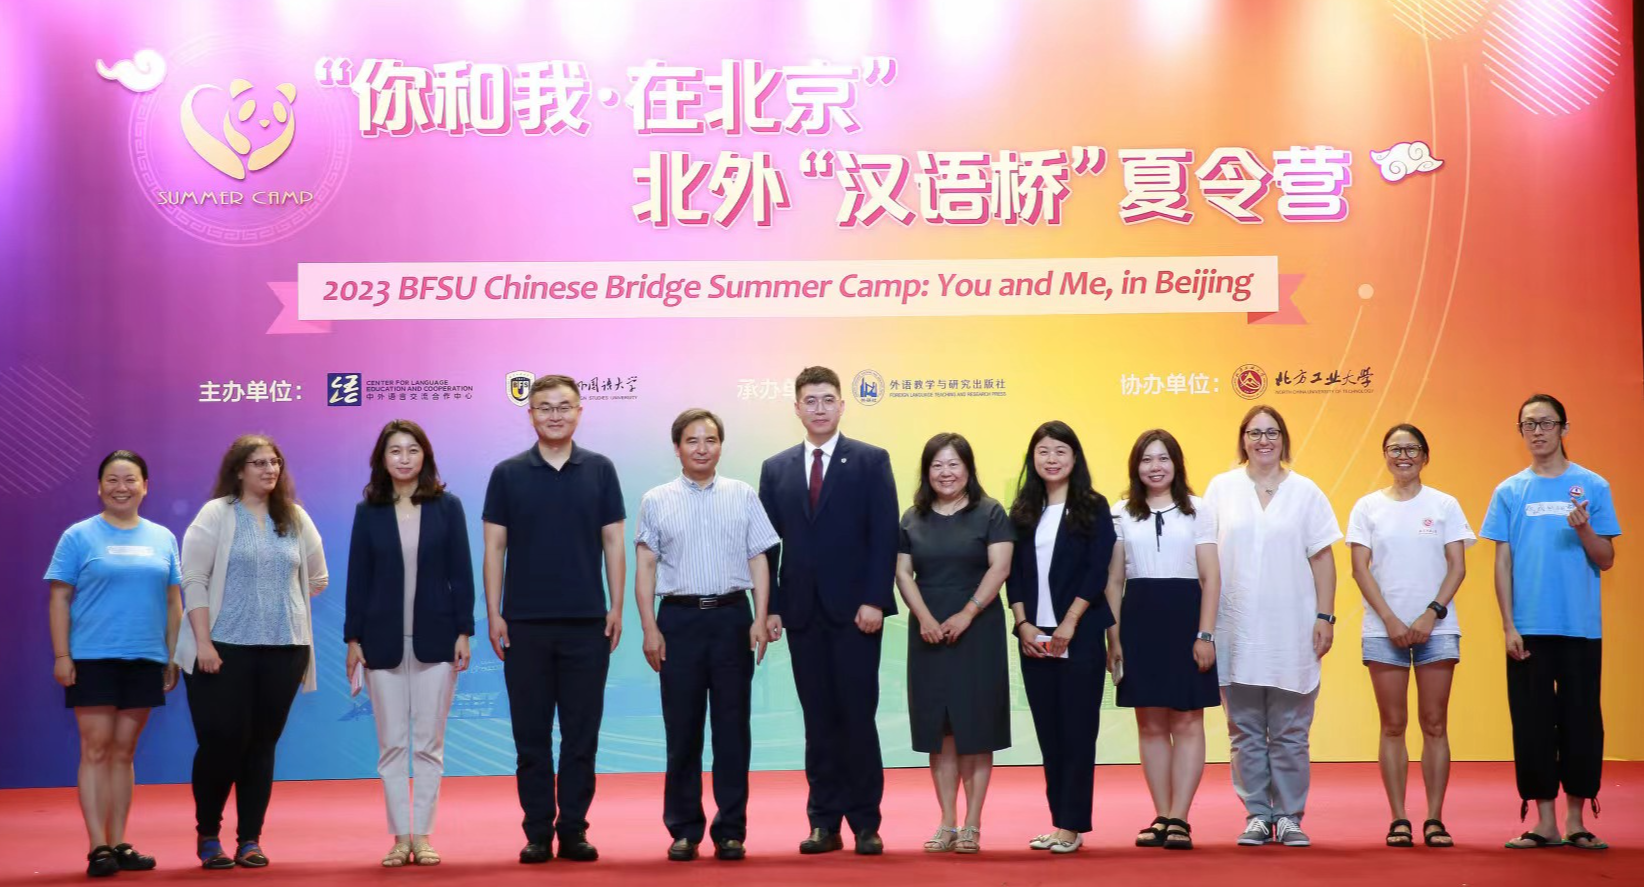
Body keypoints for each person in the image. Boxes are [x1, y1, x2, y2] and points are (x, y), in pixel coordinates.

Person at [483, 374, 625, 864]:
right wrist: (494, 613)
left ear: (580, 412)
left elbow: (613, 541)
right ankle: (538, 832)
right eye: (545, 407)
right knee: (531, 738)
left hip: (587, 624)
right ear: (531, 415)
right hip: (524, 625)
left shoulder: (600, 469)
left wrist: (616, 606)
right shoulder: (507, 473)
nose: (555, 415)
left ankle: (574, 829)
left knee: (582, 737)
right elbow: (494, 548)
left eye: (564, 406)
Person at [757, 366, 899, 856]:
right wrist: (771, 607)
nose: (819, 408)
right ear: (797, 408)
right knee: (817, 721)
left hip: (857, 614)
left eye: (827, 399)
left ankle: (865, 823)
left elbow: (884, 535)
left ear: (842, 405)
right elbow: (766, 546)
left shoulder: (870, 460)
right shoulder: (776, 468)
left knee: (857, 717)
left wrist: (875, 599)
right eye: (810, 401)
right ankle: (823, 822)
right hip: (801, 614)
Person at [176, 434, 328, 869]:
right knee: (222, 743)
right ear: (239, 471)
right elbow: (194, 579)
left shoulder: (294, 517)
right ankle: (208, 834)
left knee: (262, 745)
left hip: (285, 648)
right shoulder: (216, 514)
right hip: (221, 649)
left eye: (274, 461)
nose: (269, 469)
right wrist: (204, 642)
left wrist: (279, 603)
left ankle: (250, 839)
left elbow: (318, 578)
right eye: (259, 462)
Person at [634, 409, 779, 862]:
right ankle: (684, 829)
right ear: (677, 448)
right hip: (678, 622)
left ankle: (731, 830)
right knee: (683, 730)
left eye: (711, 440)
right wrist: (649, 627)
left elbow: (759, 558)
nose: (702, 448)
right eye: (692, 440)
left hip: (733, 618)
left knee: (733, 730)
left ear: (721, 446)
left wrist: (760, 616)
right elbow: (645, 566)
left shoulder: (742, 494)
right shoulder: (656, 499)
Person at [1483, 394, 1619, 851]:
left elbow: (1606, 558)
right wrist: (1508, 625)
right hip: (1528, 627)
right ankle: (1544, 822)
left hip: (1580, 626)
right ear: (1520, 431)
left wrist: (1583, 528)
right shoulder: (1509, 491)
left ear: (1564, 428)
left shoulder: (1593, 485)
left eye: (1546, 423)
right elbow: (1502, 563)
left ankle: (1576, 819)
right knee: (1532, 722)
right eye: (1528, 424)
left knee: (1582, 720)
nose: (1537, 431)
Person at [1204, 405, 1340, 848]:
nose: (1263, 440)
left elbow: (1323, 558)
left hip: (1293, 630)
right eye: (1255, 433)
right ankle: (1258, 816)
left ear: (1283, 439)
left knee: (1290, 733)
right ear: (1242, 439)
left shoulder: (1306, 492)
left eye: (1272, 432)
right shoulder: (1222, 489)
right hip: (1236, 628)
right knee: (1244, 731)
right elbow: (1206, 558)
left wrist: (1325, 615)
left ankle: (1289, 816)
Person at [344, 420, 475, 867]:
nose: (404, 458)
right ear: (382, 459)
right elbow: (358, 579)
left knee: (428, 743)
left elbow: (461, 573)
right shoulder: (368, 511)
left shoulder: (447, 507)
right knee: (393, 745)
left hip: (437, 640)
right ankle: (401, 838)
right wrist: (353, 638)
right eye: (395, 451)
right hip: (381, 643)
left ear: (426, 457)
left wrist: (464, 631)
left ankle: (423, 835)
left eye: (412, 450)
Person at [46, 451, 183, 877]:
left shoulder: (163, 537)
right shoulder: (78, 536)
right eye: (112, 479)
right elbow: (59, 598)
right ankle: (97, 847)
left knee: (124, 752)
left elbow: (173, 601)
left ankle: (119, 841)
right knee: (96, 749)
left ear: (145, 486)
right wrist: (62, 655)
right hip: (92, 658)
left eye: (130, 479)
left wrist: (172, 655)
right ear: (99, 486)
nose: (121, 487)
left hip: (145, 657)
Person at [1347, 424, 1473, 849]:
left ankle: (1435, 818)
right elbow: (1360, 569)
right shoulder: (1367, 507)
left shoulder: (1444, 504)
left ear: (1425, 456)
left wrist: (1430, 613)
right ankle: (1398, 818)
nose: (1403, 456)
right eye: (1395, 449)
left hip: (1437, 628)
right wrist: (1390, 620)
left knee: (1435, 723)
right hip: (1383, 630)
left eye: (1412, 448)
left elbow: (1457, 566)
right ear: (1385, 455)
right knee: (1393, 725)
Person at [894, 433, 1013, 855]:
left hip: (978, 630)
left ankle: (972, 824)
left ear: (968, 468)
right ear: (927, 471)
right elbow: (903, 573)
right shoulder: (913, 517)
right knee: (939, 730)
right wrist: (925, 618)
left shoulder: (990, 512)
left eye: (954, 464)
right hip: (928, 633)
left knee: (975, 729)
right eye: (937, 465)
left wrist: (967, 613)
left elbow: (1000, 567)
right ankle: (946, 822)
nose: (946, 473)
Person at [1004, 421, 1120, 855]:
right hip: (1034, 639)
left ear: (1074, 457)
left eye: (1060, 451)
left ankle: (1073, 825)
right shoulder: (1023, 509)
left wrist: (1069, 622)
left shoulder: (1092, 505)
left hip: (1080, 635)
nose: (1051, 459)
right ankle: (1059, 823)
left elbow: (1097, 570)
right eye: (1043, 451)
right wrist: (1023, 625)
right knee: (1050, 734)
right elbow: (1013, 574)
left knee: (1077, 732)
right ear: (1032, 458)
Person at [1112, 430, 1221, 850]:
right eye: (1146, 459)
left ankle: (1180, 817)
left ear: (1176, 464)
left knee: (1188, 719)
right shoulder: (1120, 512)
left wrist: (1205, 634)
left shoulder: (1199, 510)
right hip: (1139, 619)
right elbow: (1114, 580)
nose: (1155, 467)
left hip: (1186, 617)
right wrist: (1114, 638)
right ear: (1135, 466)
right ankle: (1161, 815)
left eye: (1163, 458)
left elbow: (1210, 577)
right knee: (1150, 722)